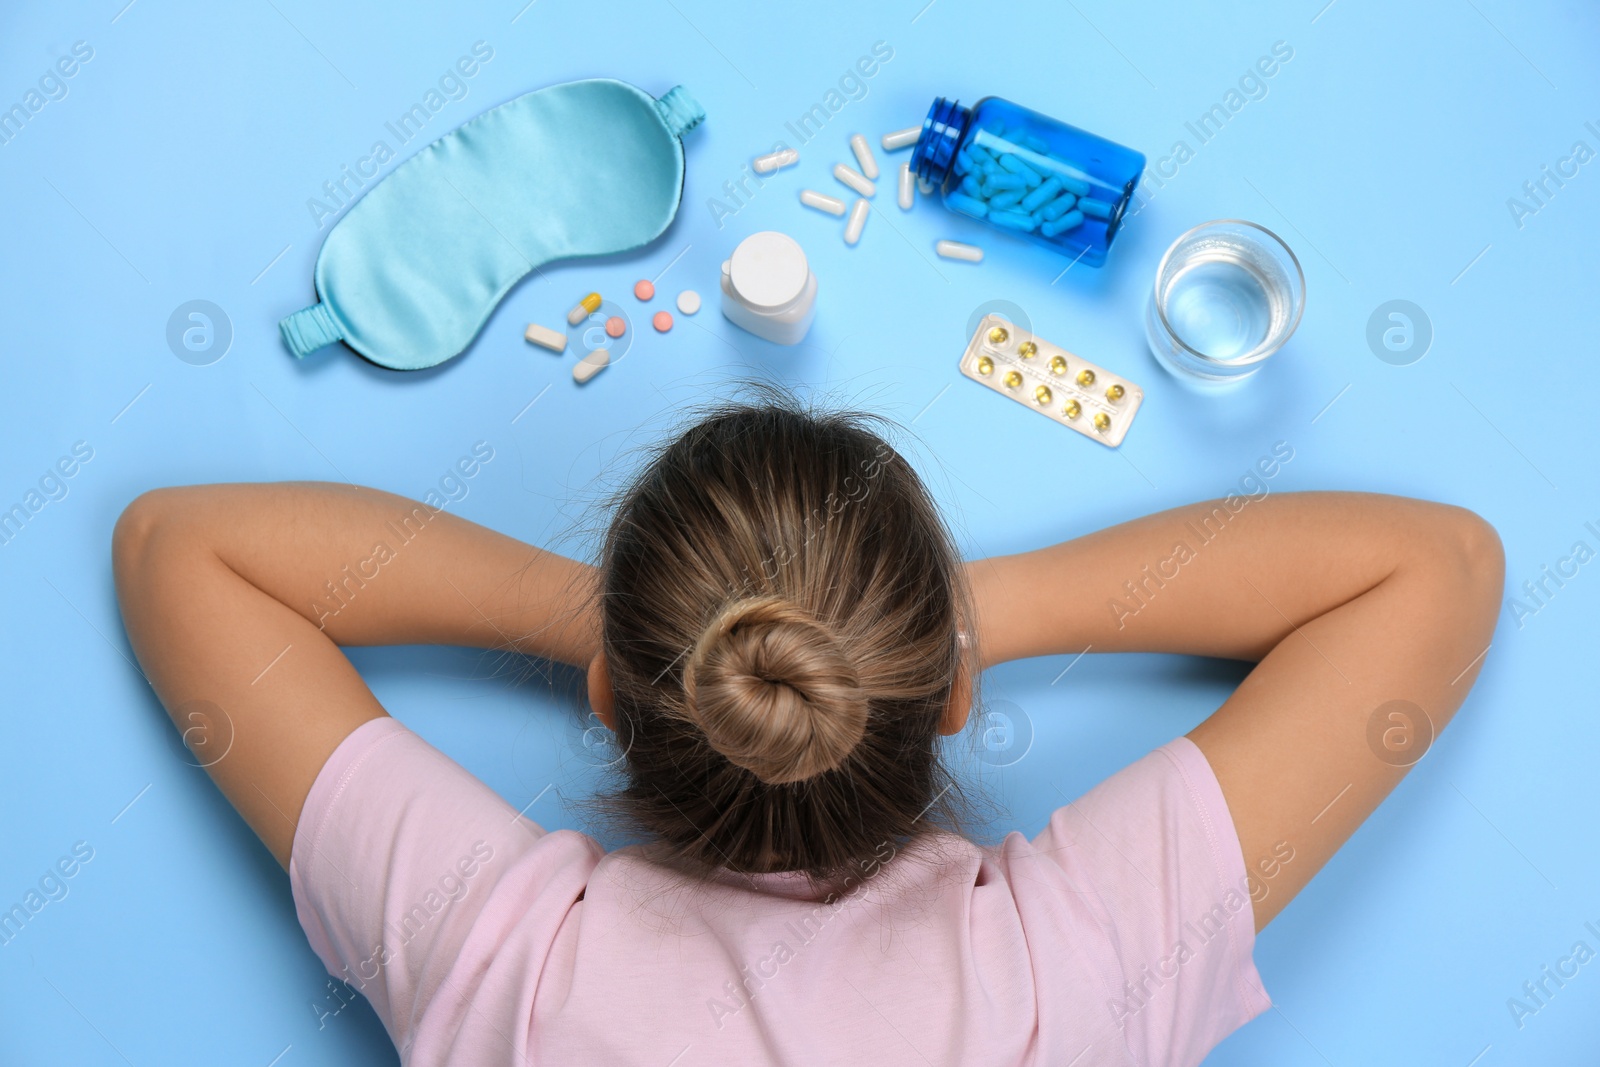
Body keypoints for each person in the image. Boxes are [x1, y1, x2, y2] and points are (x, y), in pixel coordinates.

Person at [111, 398, 1503, 1066]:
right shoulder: (1070, 984)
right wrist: (941, 623)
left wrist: (626, 630)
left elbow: (183, 551)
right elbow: (1432, 573)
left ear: (611, 702)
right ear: (950, 704)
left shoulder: (510, 973)